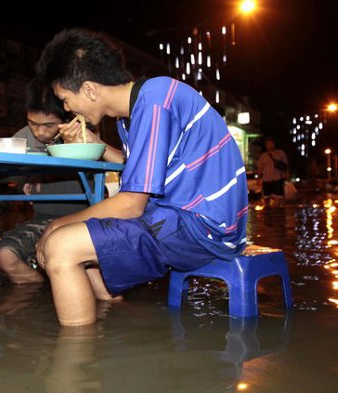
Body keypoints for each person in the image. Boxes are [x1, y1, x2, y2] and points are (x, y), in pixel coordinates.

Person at [34, 28, 249, 326]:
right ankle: (113, 313)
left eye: (66, 99)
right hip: (193, 220)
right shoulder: (136, 111)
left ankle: (77, 361)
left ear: (90, 90)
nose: (67, 109)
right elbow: (145, 169)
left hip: (203, 227)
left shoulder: (155, 100)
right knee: (84, 235)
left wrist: (56, 225)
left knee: (61, 244)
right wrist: (94, 145)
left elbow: (132, 203)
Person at [0, 79, 122, 284]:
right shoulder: (23, 138)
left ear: (66, 116)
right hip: (42, 220)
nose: (39, 132)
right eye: (33, 123)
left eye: (49, 125)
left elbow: (103, 177)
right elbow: (8, 179)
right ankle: (40, 299)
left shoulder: (83, 133)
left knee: (76, 264)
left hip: (82, 219)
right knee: (4, 254)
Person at [257, 137, 289, 207]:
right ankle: (268, 210)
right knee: (266, 197)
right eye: (268, 144)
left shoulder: (280, 153)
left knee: (278, 196)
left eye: (271, 143)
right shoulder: (263, 156)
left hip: (278, 178)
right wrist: (258, 179)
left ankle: (276, 210)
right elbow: (260, 168)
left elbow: (285, 165)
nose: (270, 145)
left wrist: (287, 176)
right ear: (266, 145)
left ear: (274, 144)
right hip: (266, 179)